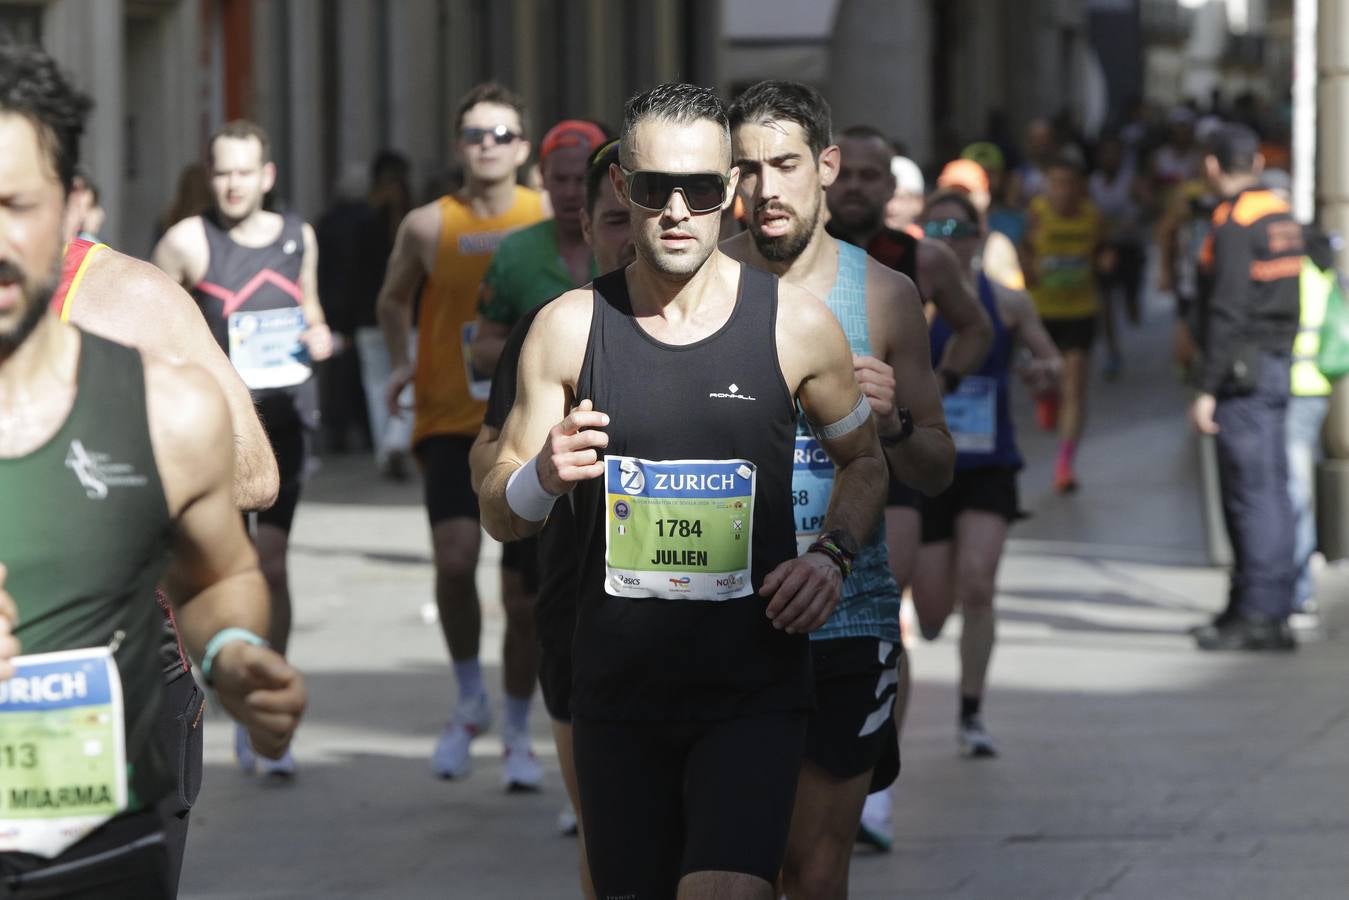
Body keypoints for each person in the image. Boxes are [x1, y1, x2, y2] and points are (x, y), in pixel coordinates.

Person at [478, 82, 888, 899]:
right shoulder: (567, 327)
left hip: (752, 687)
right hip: (618, 692)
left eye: (699, 188)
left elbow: (865, 462)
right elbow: (498, 510)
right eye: (654, 187)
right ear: (622, 189)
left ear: (728, 194)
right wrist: (540, 478)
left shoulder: (795, 324)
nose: (675, 209)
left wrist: (832, 558)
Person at [0, 47, 305, 897]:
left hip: (113, 729)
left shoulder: (138, 334)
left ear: (68, 203)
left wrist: (238, 649)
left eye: (15, 203)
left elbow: (240, 500)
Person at [724, 79, 953, 899]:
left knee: (813, 870)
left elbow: (934, 464)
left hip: (845, 614)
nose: (765, 188)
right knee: (730, 866)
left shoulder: (886, 297)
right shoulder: (697, 286)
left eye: (783, 164)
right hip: (719, 611)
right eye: (745, 169)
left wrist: (890, 425)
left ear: (823, 166)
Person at [468, 137, 634, 899]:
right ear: (588, 228)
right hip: (581, 613)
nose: (635, 237)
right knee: (612, 846)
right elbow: (489, 475)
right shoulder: (554, 328)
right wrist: (534, 473)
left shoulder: (749, 325)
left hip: (723, 624)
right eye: (613, 221)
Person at [375, 82, 547, 779]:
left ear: (523, 147)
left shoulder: (544, 217)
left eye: (502, 134)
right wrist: (399, 366)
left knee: (521, 595)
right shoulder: (425, 224)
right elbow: (391, 299)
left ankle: (514, 726)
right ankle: (469, 695)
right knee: (451, 561)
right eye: (476, 134)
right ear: (457, 145)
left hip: (531, 421)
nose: (488, 145)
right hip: (450, 415)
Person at [153, 118, 334, 776]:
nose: (232, 184)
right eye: (221, 172)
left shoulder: (297, 236)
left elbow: (309, 309)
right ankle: (225, 688)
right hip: (214, 431)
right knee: (218, 568)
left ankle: (262, 689)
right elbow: (151, 324)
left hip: (283, 420)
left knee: (274, 564)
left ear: (267, 177)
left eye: (244, 172)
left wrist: (320, 337)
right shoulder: (183, 242)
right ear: (210, 175)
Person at [906, 190, 1061, 758]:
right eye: (937, 226)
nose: (950, 236)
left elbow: (1051, 362)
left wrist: (1043, 372)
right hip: (927, 464)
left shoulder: (1009, 303)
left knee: (978, 582)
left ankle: (971, 712)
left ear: (981, 235)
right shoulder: (909, 301)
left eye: (961, 227)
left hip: (989, 463)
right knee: (927, 616)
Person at [1189, 124, 1304, 651]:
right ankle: (1264, 607)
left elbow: (1227, 309)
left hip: (1243, 374)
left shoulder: (1234, 223)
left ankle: (1257, 614)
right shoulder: (1281, 215)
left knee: (1250, 495)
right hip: (1275, 363)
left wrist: (1206, 386)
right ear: (1256, 162)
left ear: (1213, 166)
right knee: (1271, 491)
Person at [472, 119, 609, 372]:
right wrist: (544, 351)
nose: (570, 192)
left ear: (606, 178)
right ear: (542, 176)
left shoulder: (631, 242)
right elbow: (481, 350)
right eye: (560, 178)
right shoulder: (515, 251)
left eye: (581, 179)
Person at [1021, 150, 1112, 494]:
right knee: (1047, 381)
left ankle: (1064, 465)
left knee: (1075, 387)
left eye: (1068, 184)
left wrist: (1106, 259)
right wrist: (1026, 268)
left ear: (1080, 188)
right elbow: (1025, 249)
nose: (1061, 191)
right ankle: (1046, 396)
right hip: (1042, 314)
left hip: (1080, 311)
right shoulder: (1037, 214)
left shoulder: (1094, 217)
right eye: (1055, 184)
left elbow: (1104, 248)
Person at [1286, 228, 1338, 625]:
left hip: (1292, 390)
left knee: (1294, 491)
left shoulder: (1294, 274)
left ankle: (1301, 591)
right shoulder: (1324, 274)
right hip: (1315, 389)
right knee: (1297, 488)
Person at [355, 150, 415, 477]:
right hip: (409, 316)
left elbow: (351, 273)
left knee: (377, 387)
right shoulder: (413, 219)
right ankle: (398, 442)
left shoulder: (363, 220)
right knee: (408, 382)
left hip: (368, 317)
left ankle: (386, 448)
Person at [1089, 132, 1148, 378]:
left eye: (1115, 152)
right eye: (1106, 152)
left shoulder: (1131, 181)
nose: (1110, 157)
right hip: (1105, 247)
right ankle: (1112, 352)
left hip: (1130, 248)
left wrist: (1136, 217)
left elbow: (1149, 206)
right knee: (1105, 302)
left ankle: (1133, 303)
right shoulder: (1092, 183)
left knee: (1131, 306)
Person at [935, 156, 1025, 290]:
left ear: (984, 198)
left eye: (966, 193)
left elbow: (1013, 300)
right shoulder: (927, 240)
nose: (958, 202)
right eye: (951, 193)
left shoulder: (996, 246)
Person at [883, 155, 925, 237]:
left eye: (900, 198)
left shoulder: (926, 248)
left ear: (918, 203)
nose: (889, 207)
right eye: (885, 198)